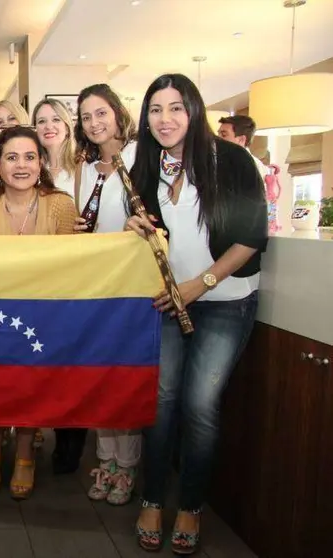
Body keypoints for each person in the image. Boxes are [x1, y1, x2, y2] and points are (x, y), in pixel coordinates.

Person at [127, 74, 266, 554]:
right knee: (160, 402)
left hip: (226, 302)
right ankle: (152, 497)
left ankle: (190, 506)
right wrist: (138, 226)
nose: (164, 120)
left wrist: (198, 286)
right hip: (169, 301)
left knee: (199, 406)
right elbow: (158, 232)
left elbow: (250, 237)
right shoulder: (148, 164)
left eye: (175, 108)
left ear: (194, 110)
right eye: (155, 110)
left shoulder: (231, 159)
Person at [0, 126, 78, 500]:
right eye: (11, 157)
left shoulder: (61, 204)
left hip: (44, 312)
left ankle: (25, 453)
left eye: (30, 157)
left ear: (41, 163)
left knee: (32, 382)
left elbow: (67, 265)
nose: (21, 165)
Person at [71, 84, 141, 504]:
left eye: (101, 113)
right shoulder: (83, 166)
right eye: (86, 117)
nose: (95, 123)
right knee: (98, 377)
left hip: (129, 284)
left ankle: (128, 466)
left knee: (123, 377)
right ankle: (106, 460)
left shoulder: (138, 158)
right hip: (93, 286)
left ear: (117, 113)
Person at [31, 98, 79, 196]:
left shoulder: (82, 167)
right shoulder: (33, 170)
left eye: (56, 119)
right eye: (41, 121)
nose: (48, 126)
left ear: (67, 128)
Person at [217, 115, 269, 179]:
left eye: (223, 135)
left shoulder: (252, 168)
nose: (217, 139)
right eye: (218, 134)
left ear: (241, 140)